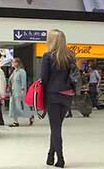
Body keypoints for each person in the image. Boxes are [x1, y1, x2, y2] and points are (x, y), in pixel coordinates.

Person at [41, 29, 75, 168]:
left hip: (52, 95)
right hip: (67, 95)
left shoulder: (47, 56)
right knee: (57, 126)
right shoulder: (70, 56)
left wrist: (42, 99)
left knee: (55, 128)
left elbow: (44, 79)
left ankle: (60, 159)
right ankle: (50, 155)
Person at [8, 58, 34, 127]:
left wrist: (23, 90)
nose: (12, 64)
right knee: (13, 106)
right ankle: (15, 121)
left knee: (20, 106)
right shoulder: (14, 71)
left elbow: (23, 82)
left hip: (19, 92)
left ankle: (30, 116)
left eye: (13, 62)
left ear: (17, 63)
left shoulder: (22, 71)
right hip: (13, 91)